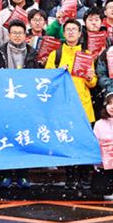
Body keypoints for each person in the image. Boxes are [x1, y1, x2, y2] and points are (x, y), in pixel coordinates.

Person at [46, 19, 97, 190]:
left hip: (83, 104)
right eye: (67, 29)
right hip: (63, 106)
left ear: (80, 33)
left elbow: (93, 83)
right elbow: (47, 80)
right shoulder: (56, 54)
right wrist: (59, 72)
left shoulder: (86, 54)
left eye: (74, 29)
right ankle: (70, 177)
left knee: (84, 142)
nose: (70, 32)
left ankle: (85, 177)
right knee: (67, 141)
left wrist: (90, 77)